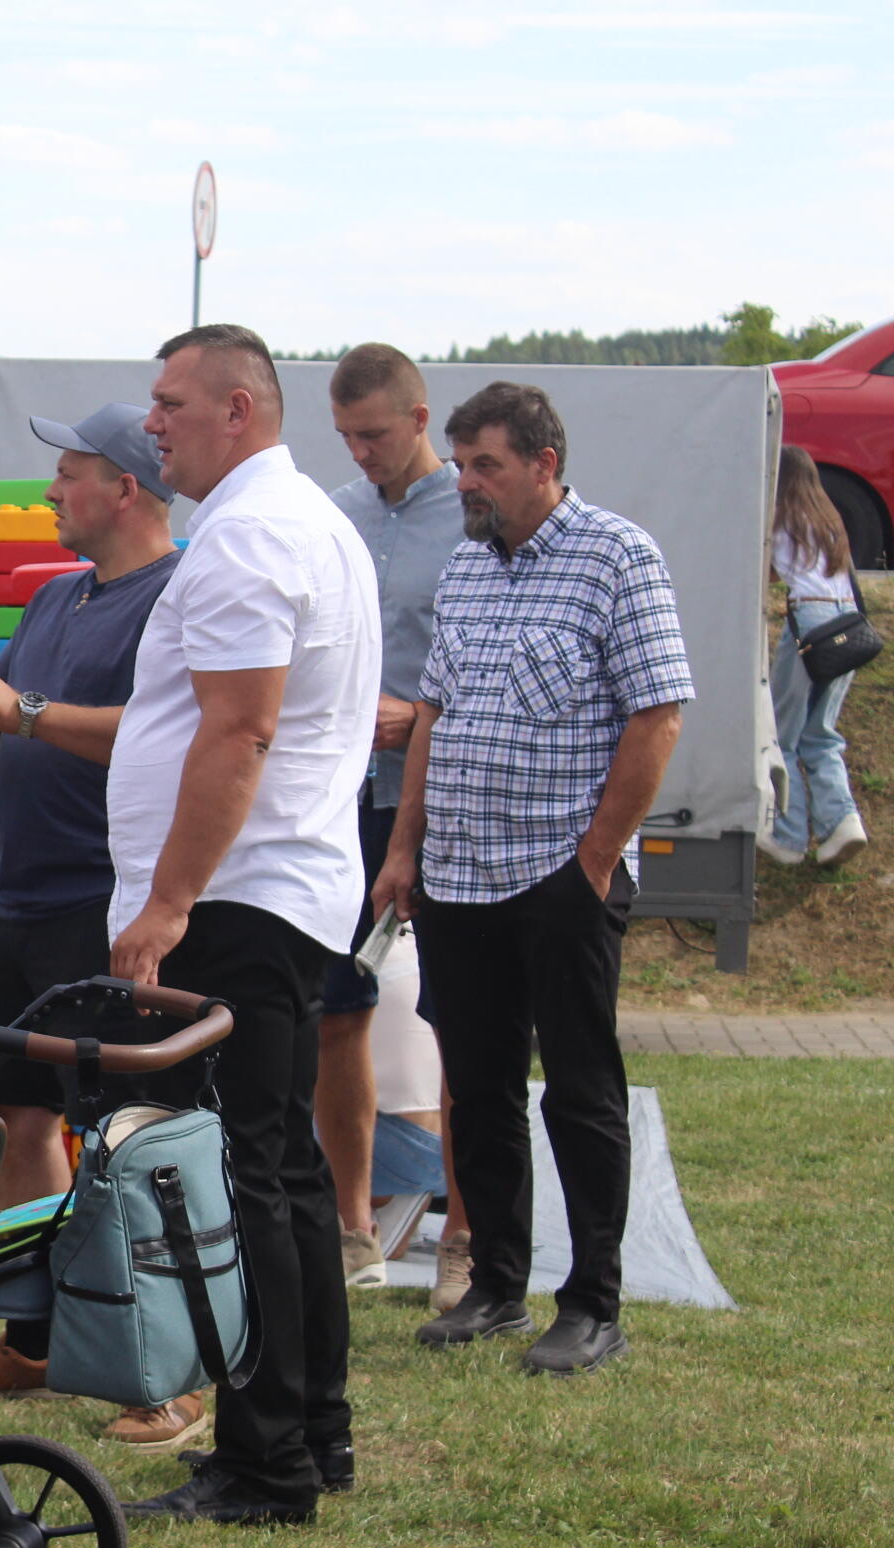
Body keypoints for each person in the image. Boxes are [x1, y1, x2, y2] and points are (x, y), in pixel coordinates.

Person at [106, 327, 379, 1527]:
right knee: (283, 1171)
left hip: (238, 897)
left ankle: (267, 1460)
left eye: (170, 402)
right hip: (275, 891)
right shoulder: (296, 519)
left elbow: (240, 729)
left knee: (241, 1182)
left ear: (238, 410)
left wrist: (167, 902)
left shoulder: (254, 533)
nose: (151, 423)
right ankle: (312, 1432)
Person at [373, 382, 694, 1379]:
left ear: (544, 464)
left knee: (581, 1091)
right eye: (463, 464)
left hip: (560, 877)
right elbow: (433, 715)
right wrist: (405, 849)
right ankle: (497, 1286)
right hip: (459, 875)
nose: (467, 483)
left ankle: (593, 1303)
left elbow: (657, 717)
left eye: (487, 466)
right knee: (479, 1088)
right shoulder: (468, 565)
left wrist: (593, 861)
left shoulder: (617, 556)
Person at [0, 403, 207, 1454]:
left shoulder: (177, 596)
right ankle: (33, 1340)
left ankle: (166, 1375)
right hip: (12, 896)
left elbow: (172, 733)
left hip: (103, 901)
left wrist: (23, 712)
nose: (49, 491)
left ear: (125, 487)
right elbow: (4, 735)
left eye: (68, 472)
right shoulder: (54, 597)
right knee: (21, 1118)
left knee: (133, 1139)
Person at [319, 344, 473, 1299]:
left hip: (444, 796)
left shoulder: (475, 516)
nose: (360, 453)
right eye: (345, 437)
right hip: (343, 802)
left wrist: (417, 718)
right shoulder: (334, 515)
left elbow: (491, 662)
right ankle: (352, 1229)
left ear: (421, 420)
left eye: (373, 434)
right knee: (338, 1010)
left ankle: (465, 1236)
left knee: (461, 1018)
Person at [761, 445, 869, 868]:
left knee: (782, 735)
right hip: (847, 624)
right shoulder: (828, 519)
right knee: (821, 734)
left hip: (809, 622)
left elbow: (764, 573)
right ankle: (842, 823)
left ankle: (787, 839)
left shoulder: (780, 516)